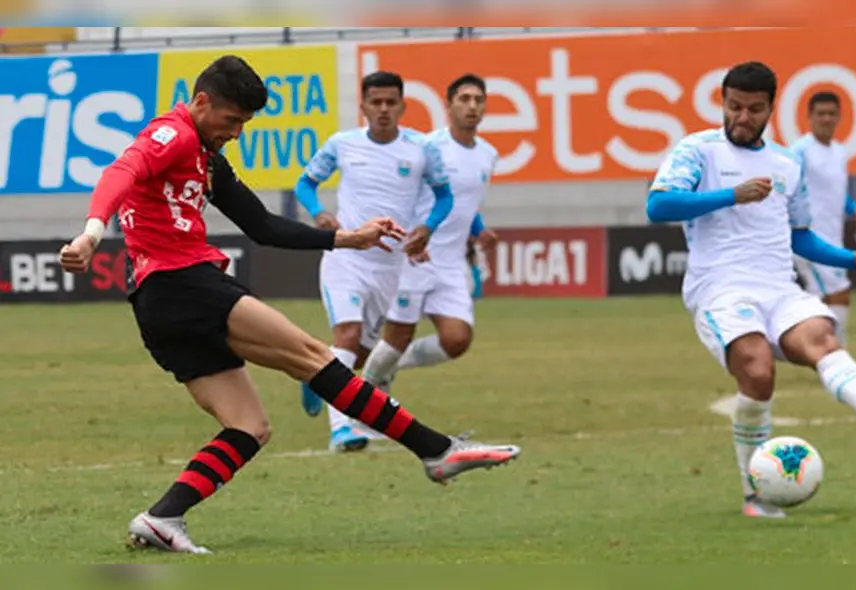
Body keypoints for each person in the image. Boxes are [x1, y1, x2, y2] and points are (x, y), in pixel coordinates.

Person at [57, 55, 520, 554]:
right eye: (231, 121)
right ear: (201, 102)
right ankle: (437, 451)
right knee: (314, 356)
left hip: (159, 304)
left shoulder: (206, 158)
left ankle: (162, 517)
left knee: (250, 427)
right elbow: (120, 172)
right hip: (183, 284)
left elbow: (263, 227)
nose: (235, 133)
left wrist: (347, 238)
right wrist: (91, 234)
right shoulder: (175, 134)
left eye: (244, 124)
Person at [645, 61, 856, 520]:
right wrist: (730, 195)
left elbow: (800, 234)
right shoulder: (697, 150)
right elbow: (658, 205)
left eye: (753, 109)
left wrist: (853, 259)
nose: (741, 117)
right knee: (758, 372)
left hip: (779, 286)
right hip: (720, 288)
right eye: (734, 106)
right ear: (723, 101)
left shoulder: (786, 163)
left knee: (822, 339)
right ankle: (754, 495)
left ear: (770, 109)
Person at [294, 71, 457, 452]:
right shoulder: (342, 144)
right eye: (376, 102)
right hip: (345, 257)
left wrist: (427, 227)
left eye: (390, 102)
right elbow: (305, 183)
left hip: (390, 267)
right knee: (347, 337)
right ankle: (341, 431)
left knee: (357, 354)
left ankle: (316, 374)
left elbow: (444, 197)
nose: (383, 110)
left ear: (401, 105)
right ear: (364, 105)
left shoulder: (421, 148)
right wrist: (318, 212)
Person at [359, 73, 499, 407]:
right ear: (449, 105)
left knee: (457, 340)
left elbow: (464, 201)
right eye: (464, 99)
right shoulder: (429, 147)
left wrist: (479, 229)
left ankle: (385, 371)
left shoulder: (488, 154)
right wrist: (407, 237)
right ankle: (361, 398)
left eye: (478, 100)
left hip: (450, 264)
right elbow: (409, 195)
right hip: (415, 257)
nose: (472, 106)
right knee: (397, 337)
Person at [791, 91, 856, 346]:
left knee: (820, 298)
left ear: (839, 117)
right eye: (820, 114)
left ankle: (816, 349)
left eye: (831, 114)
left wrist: (853, 208)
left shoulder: (839, 151)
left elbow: (834, 192)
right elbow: (788, 191)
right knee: (838, 292)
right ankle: (837, 353)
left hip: (833, 238)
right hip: (810, 239)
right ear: (809, 118)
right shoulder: (799, 152)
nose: (826, 119)